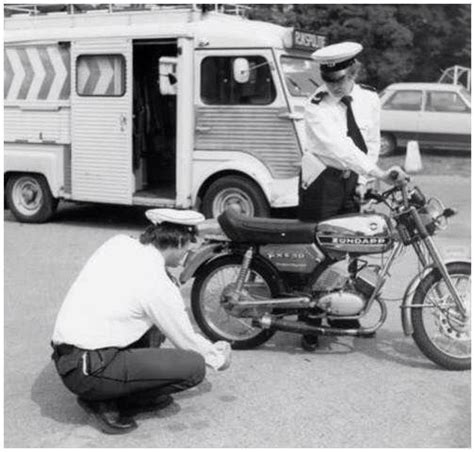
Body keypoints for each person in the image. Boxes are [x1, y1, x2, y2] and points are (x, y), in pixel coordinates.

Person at [51, 209, 231, 434]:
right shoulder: (156, 284)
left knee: (155, 324)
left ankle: (115, 386)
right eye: (188, 248)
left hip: (68, 357)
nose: (188, 254)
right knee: (194, 367)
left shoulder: (119, 243)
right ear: (178, 240)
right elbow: (187, 342)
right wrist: (218, 357)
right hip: (89, 372)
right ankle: (104, 399)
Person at [298, 41, 407, 348]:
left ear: (354, 72)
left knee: (354, 244)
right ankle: (310, 319)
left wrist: (366, 178)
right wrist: (378, 173)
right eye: (328, 81)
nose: (333, 87)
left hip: (352, 180)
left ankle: (343, 313)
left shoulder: (370, 98)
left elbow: (370, 140)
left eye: (340, 80)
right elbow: (340, 149)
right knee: (319, 249)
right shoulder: (316, 106)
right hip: (322, 180)